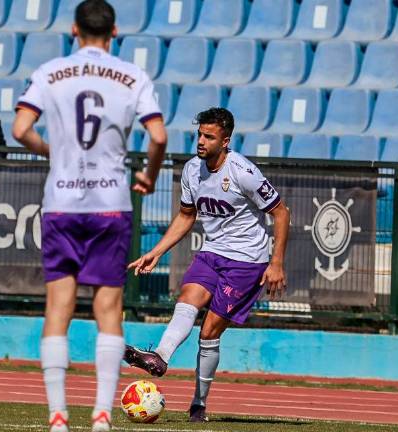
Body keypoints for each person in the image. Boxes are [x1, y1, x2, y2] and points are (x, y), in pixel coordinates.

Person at [11, 1, 167, 431]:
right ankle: (101, 415)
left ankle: (58, 416)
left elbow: (21, 128)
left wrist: (50, 151)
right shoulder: (133, 76)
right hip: (110, 202)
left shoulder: (50, 72)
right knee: (108, 306)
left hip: (62, 202)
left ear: (74, 30)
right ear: (114, 31)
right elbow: (158, 135)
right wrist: (150, 177)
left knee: (58, 305)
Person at [124, 107, 291, 423]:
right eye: (199, 135)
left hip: (246, 262)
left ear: (225, 141)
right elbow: (187, 216)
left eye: (208, 136)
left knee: (210, 331)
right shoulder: (191, 171)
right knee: (187, 299)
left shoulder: (244, 172)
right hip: (212, 253)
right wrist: (157, 251)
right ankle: (160, 357)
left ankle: (198, 405)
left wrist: (277, 262)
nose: (201, 141)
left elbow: (281, 213)